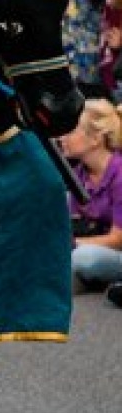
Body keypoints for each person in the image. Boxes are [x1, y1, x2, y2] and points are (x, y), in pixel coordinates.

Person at [62, 100, 122, 310]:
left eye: (70, 131)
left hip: (116, 248)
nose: (62, 138)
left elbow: (118, 239)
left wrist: (69, 244)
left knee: (82, 257)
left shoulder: (120, 173)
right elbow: (75, 223)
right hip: (101, 246)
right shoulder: (79, 174)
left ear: (96, 138)